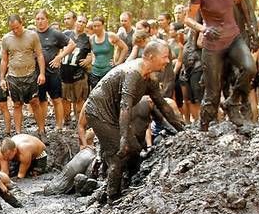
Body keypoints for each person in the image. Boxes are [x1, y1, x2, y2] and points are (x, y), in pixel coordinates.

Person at [84, 40, 184, 201]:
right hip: (98, 111)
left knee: (136, 148)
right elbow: (125, 106)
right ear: (151, 57)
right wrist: (123, 137)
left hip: (115, 113)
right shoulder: (134, 73)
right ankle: (112, 196)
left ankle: (127, 184)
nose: (167, 61)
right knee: (118, 153)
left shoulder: (150, 78)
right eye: (165, 57)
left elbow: (164, 106)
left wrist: (182, 130)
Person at [185, 0, 257, 131]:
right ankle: (203, 128)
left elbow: (239, 1)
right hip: (213, 45)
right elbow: (187, 19)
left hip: (233, 37)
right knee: (212, 94)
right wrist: (204, 28)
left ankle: (232, 102)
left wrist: (250, 28)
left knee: (250, 68)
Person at [0, 14, 47, 135]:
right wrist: (1, 78)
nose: (15, 30)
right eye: (12, 28)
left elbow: (40, 55)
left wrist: (42, 73)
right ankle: (18, 133)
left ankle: (41, 130)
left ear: (22, 23)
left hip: (30, 74)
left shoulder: (32, 35)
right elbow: (4, 60)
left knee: (35, 102)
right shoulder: (6, 39)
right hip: (13, 76)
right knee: (16, 104)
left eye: (17, 27)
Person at [34, 9, 77, 132]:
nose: (40, 21)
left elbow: (72, 44)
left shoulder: (55, 33)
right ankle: (42, 127)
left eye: (42, 18)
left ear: (47, 19)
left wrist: (59, 57)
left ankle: (59, 126)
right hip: (38, 73)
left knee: (56, 99)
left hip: (53, 72)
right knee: (41, 100)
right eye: (38, 19)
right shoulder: (33, 35)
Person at [61, 15, 92, 126]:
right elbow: (57, 47)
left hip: (78, 74)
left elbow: (95, 52)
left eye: (83, 22)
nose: (80, 24)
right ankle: (66, 120)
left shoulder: (88, 39)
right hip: (64, 71)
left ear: (86, 25)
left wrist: (90, 59)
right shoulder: (65, 34)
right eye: (79, 21)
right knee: (64, 98)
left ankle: (79, 120)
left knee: (79, 98)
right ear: (75, 22)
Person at [89, 16, 129, 90]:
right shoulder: (91, 38)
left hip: (108, 71)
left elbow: (124, 48)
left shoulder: (110, 36)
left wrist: (118, 63)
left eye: (99, 26)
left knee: (109, 96)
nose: (97, 28)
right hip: (95, 72)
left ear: (103, 26)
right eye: (95, 26)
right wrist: (93, 60)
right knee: (96, 96)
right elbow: (92, 52)